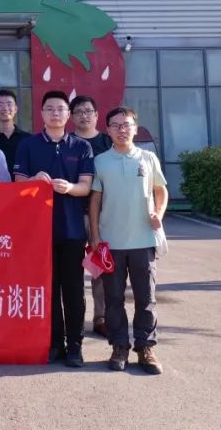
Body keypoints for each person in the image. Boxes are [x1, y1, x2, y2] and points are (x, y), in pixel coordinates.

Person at [14, 90, 94, 368]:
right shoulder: (28, 145)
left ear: (68, 114)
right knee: (48, 289)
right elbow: (18, 184)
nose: (55, 113)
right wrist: (34, 181)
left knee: (73, 291)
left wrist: (70, 188)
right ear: (42, 114)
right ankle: (54, 343)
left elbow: (86, 187)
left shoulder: (81, 147)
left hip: (72, 230)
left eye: (60, 109)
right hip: (39, 232)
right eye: (50, 109)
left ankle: (75, 345)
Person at [89, 106, 168, 375]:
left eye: (127, 125)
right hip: (111, 242)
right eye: (116, 125)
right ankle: (119, 346)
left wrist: (158, 214)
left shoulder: (148, 158)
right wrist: (95, 235)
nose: (122, 130)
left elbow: (161, 190)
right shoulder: (100, 161)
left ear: (135, 128)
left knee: (146, 298)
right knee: (113, 299)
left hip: (143, 241)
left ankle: (146, 347)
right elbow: (95, 200)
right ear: (108, 130)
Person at [71, 94, 114, 339]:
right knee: (72, 269)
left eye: (88, 111)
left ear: (97, 115)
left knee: (101, 269)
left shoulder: (108, 142)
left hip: (104, 216)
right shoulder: (67, 143)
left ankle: (102, 317)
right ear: (71, 117)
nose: (84, 115)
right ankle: (75, 319)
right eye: (78, 111)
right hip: (73, 215)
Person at [0, 89, 30, 178]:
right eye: (0, 104)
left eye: (9, 104)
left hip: (22, 186)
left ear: (16, 108)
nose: (5, 108)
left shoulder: (28, 140)